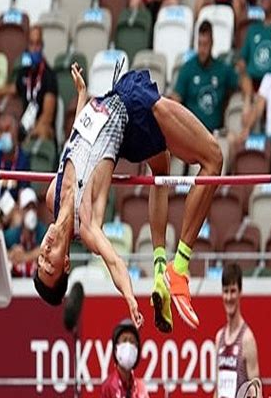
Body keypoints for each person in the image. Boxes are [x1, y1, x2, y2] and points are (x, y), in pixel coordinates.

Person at [34, 60, 223, 331]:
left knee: (161, 169)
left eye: (40, 259)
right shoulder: (87, 225)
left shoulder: (52, 194)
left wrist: (81, 95)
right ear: (65, 265)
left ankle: (160, 266)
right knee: (214, 158)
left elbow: (76, 141)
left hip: (122, 124)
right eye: (49, 266)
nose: (44, 253)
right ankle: (179, 268)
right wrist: (130, 298)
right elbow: (115, 262)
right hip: (133, 105)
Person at [204, 263, 260, 398]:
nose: (229, 297)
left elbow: (256, 396)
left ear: (240, 292)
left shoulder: (247, 339)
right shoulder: (219, 337)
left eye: (233, 291)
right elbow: (217, 394)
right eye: (225, 291)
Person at [171, 20, 252, 140]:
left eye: (206, 44)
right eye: (200, 44)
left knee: (233, 139)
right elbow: (175, 101)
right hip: (192, 132)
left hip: (215, 132)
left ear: (212, 43)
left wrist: (247, 103)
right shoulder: (188, 69)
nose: (202, 50)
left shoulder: (221, 69)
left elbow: (245, 81)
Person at [0, 25, 58, 144]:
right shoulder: (25, 72)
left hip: (42, 129)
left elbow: (47, 116)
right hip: (25, 127)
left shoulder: (49, 76)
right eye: (31, 44)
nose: (34, 48)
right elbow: (12, 89)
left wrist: (31, 134)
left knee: (42, 130)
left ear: (42, 46)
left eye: (37, 44)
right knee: (6, 127)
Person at [0, 114, 30, 227]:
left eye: (8, 130)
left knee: (18, 217)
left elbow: (22, 196)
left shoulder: (23, 160)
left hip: (10, 217)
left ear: (16, 132)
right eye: (1, 130)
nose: (5, 135)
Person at [4, 187, 47, 278]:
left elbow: (44, 251)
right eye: (27, 208)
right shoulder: (12, 235)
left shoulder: (43, 231)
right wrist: (11, 254)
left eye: (33, 207)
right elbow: (2, 253)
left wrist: (24, 257)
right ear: (21, 211)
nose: (31, 212)